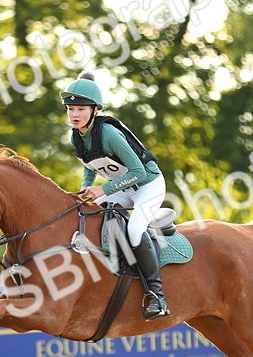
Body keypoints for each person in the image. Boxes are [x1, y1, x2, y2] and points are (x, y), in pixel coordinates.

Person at [59, 70, 170, 320]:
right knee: (89, 212)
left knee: (134, 230)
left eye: (80, 109)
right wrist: (85, 192)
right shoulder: (76, 137)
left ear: (94, 110)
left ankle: (157, 296)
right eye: (70, 109)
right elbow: (90, 168)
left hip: (149, 185)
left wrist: (103, 189)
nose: (74, 115)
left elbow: (139, 172)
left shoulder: (108, 133)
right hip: (124, 188)